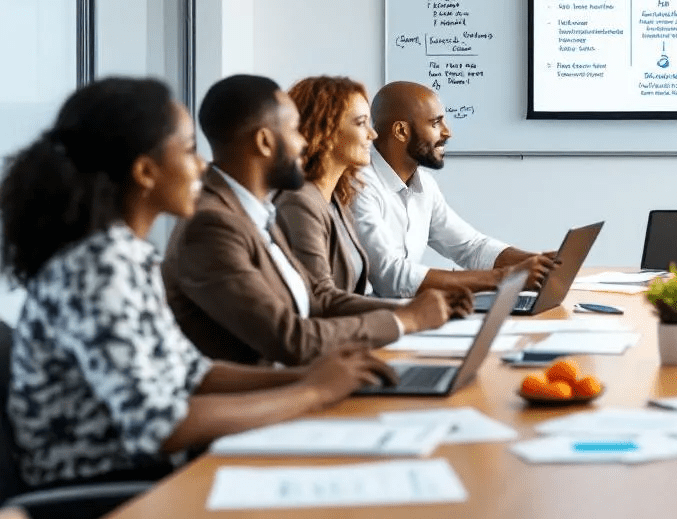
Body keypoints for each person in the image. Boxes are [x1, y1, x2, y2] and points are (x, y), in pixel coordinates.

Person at [0, 77, 395, 493]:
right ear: (145, 172)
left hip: (146, 476)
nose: (202, 165)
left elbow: (192, 373)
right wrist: (311, 392)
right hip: (106, 493)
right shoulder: (98, 270)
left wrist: (308, 376)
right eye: (189, 149)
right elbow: (159, 427)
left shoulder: (126, 256)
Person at [162, 75, 464, 367]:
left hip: (301, 375)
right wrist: (405, 319)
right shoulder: (213, 225)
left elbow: (317, 300)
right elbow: (290, 337)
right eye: (295, 130)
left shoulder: (256, 211)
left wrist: (413, 310)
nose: (304, 141)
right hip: (270, 388)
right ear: (265, 142)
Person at [352, 81, 556, 298]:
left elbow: (470, 247)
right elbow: (391, 278)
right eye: (436, 123)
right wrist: (507, 278)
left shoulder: (424, 185)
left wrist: (541, 263)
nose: (447, 132)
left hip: (406, 310)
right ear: (401, 131)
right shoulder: (359, 185)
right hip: (368, 315)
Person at [276, 76, 433, 297]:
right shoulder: (299, 204)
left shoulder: (337, 198)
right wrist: (411, 311)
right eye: (361, 123)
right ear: (325, 131)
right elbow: (322, 298)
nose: (373, 134)